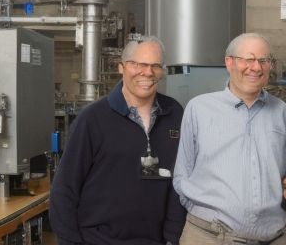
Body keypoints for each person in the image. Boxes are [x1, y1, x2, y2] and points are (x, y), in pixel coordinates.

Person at [173, 32, 286, 244]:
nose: (256, 67)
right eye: (248, 59)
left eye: (264, 61)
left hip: (273, 236)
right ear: (229, 62)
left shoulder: (281, 110)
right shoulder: (199, 109)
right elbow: (182, 175)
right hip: (210, 236)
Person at [50, 37, 185, 245]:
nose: (147, 73)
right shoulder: (92, 118)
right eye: (137, 64)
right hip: (98, 240)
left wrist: (172, 237)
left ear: (162, 71)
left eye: (155, 66)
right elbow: (64, 189)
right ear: (122, 67)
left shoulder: (174, 113)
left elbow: (180, 184)